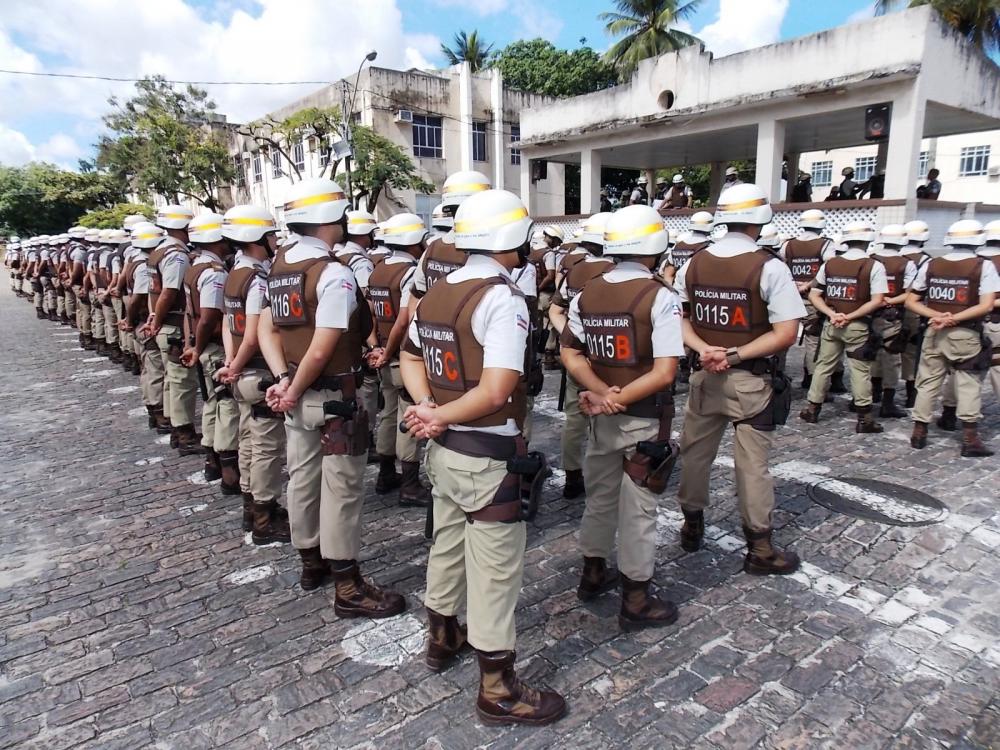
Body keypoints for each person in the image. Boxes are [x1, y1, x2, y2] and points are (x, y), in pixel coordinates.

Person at [399, 188, 566, 726]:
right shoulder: (501, 298)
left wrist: (430, 408)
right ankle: (497, 687)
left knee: (447, 545)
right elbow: (496, 390)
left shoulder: (437, 292)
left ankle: (442, 636)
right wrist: (440, 415)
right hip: (487, 451)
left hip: (446, 450)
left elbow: (408, 356)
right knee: (495, 570)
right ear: (512, 238)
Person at [259, 177, 406, 614]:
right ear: (330, 218)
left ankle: (311, 563)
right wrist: (292, 387)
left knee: (303, 479)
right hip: (334, 398)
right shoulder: (333, 273)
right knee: (341, 489)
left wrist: (283, 380)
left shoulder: (281, 267)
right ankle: (347, 585)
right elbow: (324, 346)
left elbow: (267, 328)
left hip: (298, 393)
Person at [561, 204, 683, 629]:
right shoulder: (659, 296)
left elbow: (570, 352)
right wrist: (616, 398)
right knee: (638, 509)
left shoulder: (587, 293)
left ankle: (592, 572)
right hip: (644, 417)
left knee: (599, 498)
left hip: (601, 417)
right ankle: (636, 597)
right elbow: (665, 372)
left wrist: (600, 393)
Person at [675, 183, 805, 575]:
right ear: (760, 220)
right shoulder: (770, 267)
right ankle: (760, 548)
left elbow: (680, 319)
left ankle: (691, 526)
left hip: (704, 375)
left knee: (695, 454)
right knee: (752, 465)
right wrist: (732, 355)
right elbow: (785, 333)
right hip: (751, 379)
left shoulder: (694, 263)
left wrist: (705, 350)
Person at [216, 204, 291, 544]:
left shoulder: (235, 273)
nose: (275, 240)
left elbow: (227, 324)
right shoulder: (257, 281)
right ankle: (264, 517)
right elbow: (253, 335)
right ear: (257, 237)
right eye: (271, 234)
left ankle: (251, 506)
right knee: (265, 448)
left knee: (247, 440)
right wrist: (236, 364)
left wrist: (231, 363)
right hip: (258, 371)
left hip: (242, 372)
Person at [907, 220, 998, 457]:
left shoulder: (932, 264)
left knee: (928, 382)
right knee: (968, 384)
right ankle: (969, 439)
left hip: (934, 331)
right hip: (965, 333)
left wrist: (937, 316)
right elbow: (986, 305)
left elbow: (911, 300)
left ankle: (919, 432)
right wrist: (953, 318)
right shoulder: (983, 266)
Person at [368, 212, 432, 507]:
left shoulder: (378, 270)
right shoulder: (409, 272)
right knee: (408, 416)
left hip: (382, 355)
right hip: (401, 357)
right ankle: (409, 484)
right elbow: (404, 320)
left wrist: (376, 348)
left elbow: (371, 313)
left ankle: (385, 474)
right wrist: (390, 351)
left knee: (388, 414)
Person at [549, 212, 614, 500]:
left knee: (574, 419)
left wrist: (572, 338)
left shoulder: (574, 270)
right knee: (611, 415)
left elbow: (555, 311)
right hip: (610, 357)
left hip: (577, 358)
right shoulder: (617, 271)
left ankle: (573, 476)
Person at [799, 221, 887, 432]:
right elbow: (877, 300)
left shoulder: (830, 265)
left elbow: (814, 294)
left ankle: (812, 409)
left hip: (831, 324)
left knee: (823, 366)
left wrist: (832, 314)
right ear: (868, 240)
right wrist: (850, 316)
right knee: (860, 370)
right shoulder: (874, 266)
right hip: (857, 325)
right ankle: (864, 418)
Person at [180, 212, 241, 492]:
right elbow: (208, 317)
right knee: (226, 405)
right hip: (215, 345)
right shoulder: (214, 273)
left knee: (211, 402)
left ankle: (212, 459)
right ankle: (228, 468)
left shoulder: (194, 267)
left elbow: (188, 314)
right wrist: (198, 345)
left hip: (202, 344)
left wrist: (191, 343)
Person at [140, 205, 201, 455]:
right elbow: (169, 291)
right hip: (174, 323)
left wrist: (154, 317)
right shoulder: (176, 255)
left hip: (164, 322)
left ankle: (173, 423)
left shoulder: (158, 251)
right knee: (182, 382)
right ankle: (184, 432)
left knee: (171, 378)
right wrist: (157, 319)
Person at [779, 209, 838, 389]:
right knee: (813, 341)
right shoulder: (826, 244)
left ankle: (778, 374)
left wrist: (793, 284)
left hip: (789, 298)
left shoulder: (788, 245)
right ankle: (811, 380)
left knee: (782, 338)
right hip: (813, 300)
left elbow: (780, 267)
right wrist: (809, 284)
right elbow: (830, 269)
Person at [121, 222, 170, 434]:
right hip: (144, 320)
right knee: (155, 369)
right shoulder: (143, 265)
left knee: (149, 367)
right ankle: (158, 410)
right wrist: (131, 321)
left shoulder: (135, 259)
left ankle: (154, 407)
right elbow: (138, 297)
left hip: (142, 319)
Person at [868, 225, 918, 418]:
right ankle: (887, 402)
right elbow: (909, 294)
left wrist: (877, 301)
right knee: (891, 358)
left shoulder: (870, 259)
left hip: (871, 314)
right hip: (893, 316)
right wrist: (889, 300)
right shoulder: (906, 264)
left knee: (873, 355)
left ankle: (873, 393)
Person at [899, 220, 932, 406]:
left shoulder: (884, 257)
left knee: (882, 351)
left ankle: (878, 390)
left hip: (883, 310)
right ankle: (911, 393)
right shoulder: (926, 261)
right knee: (911, 353)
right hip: (913, 311)